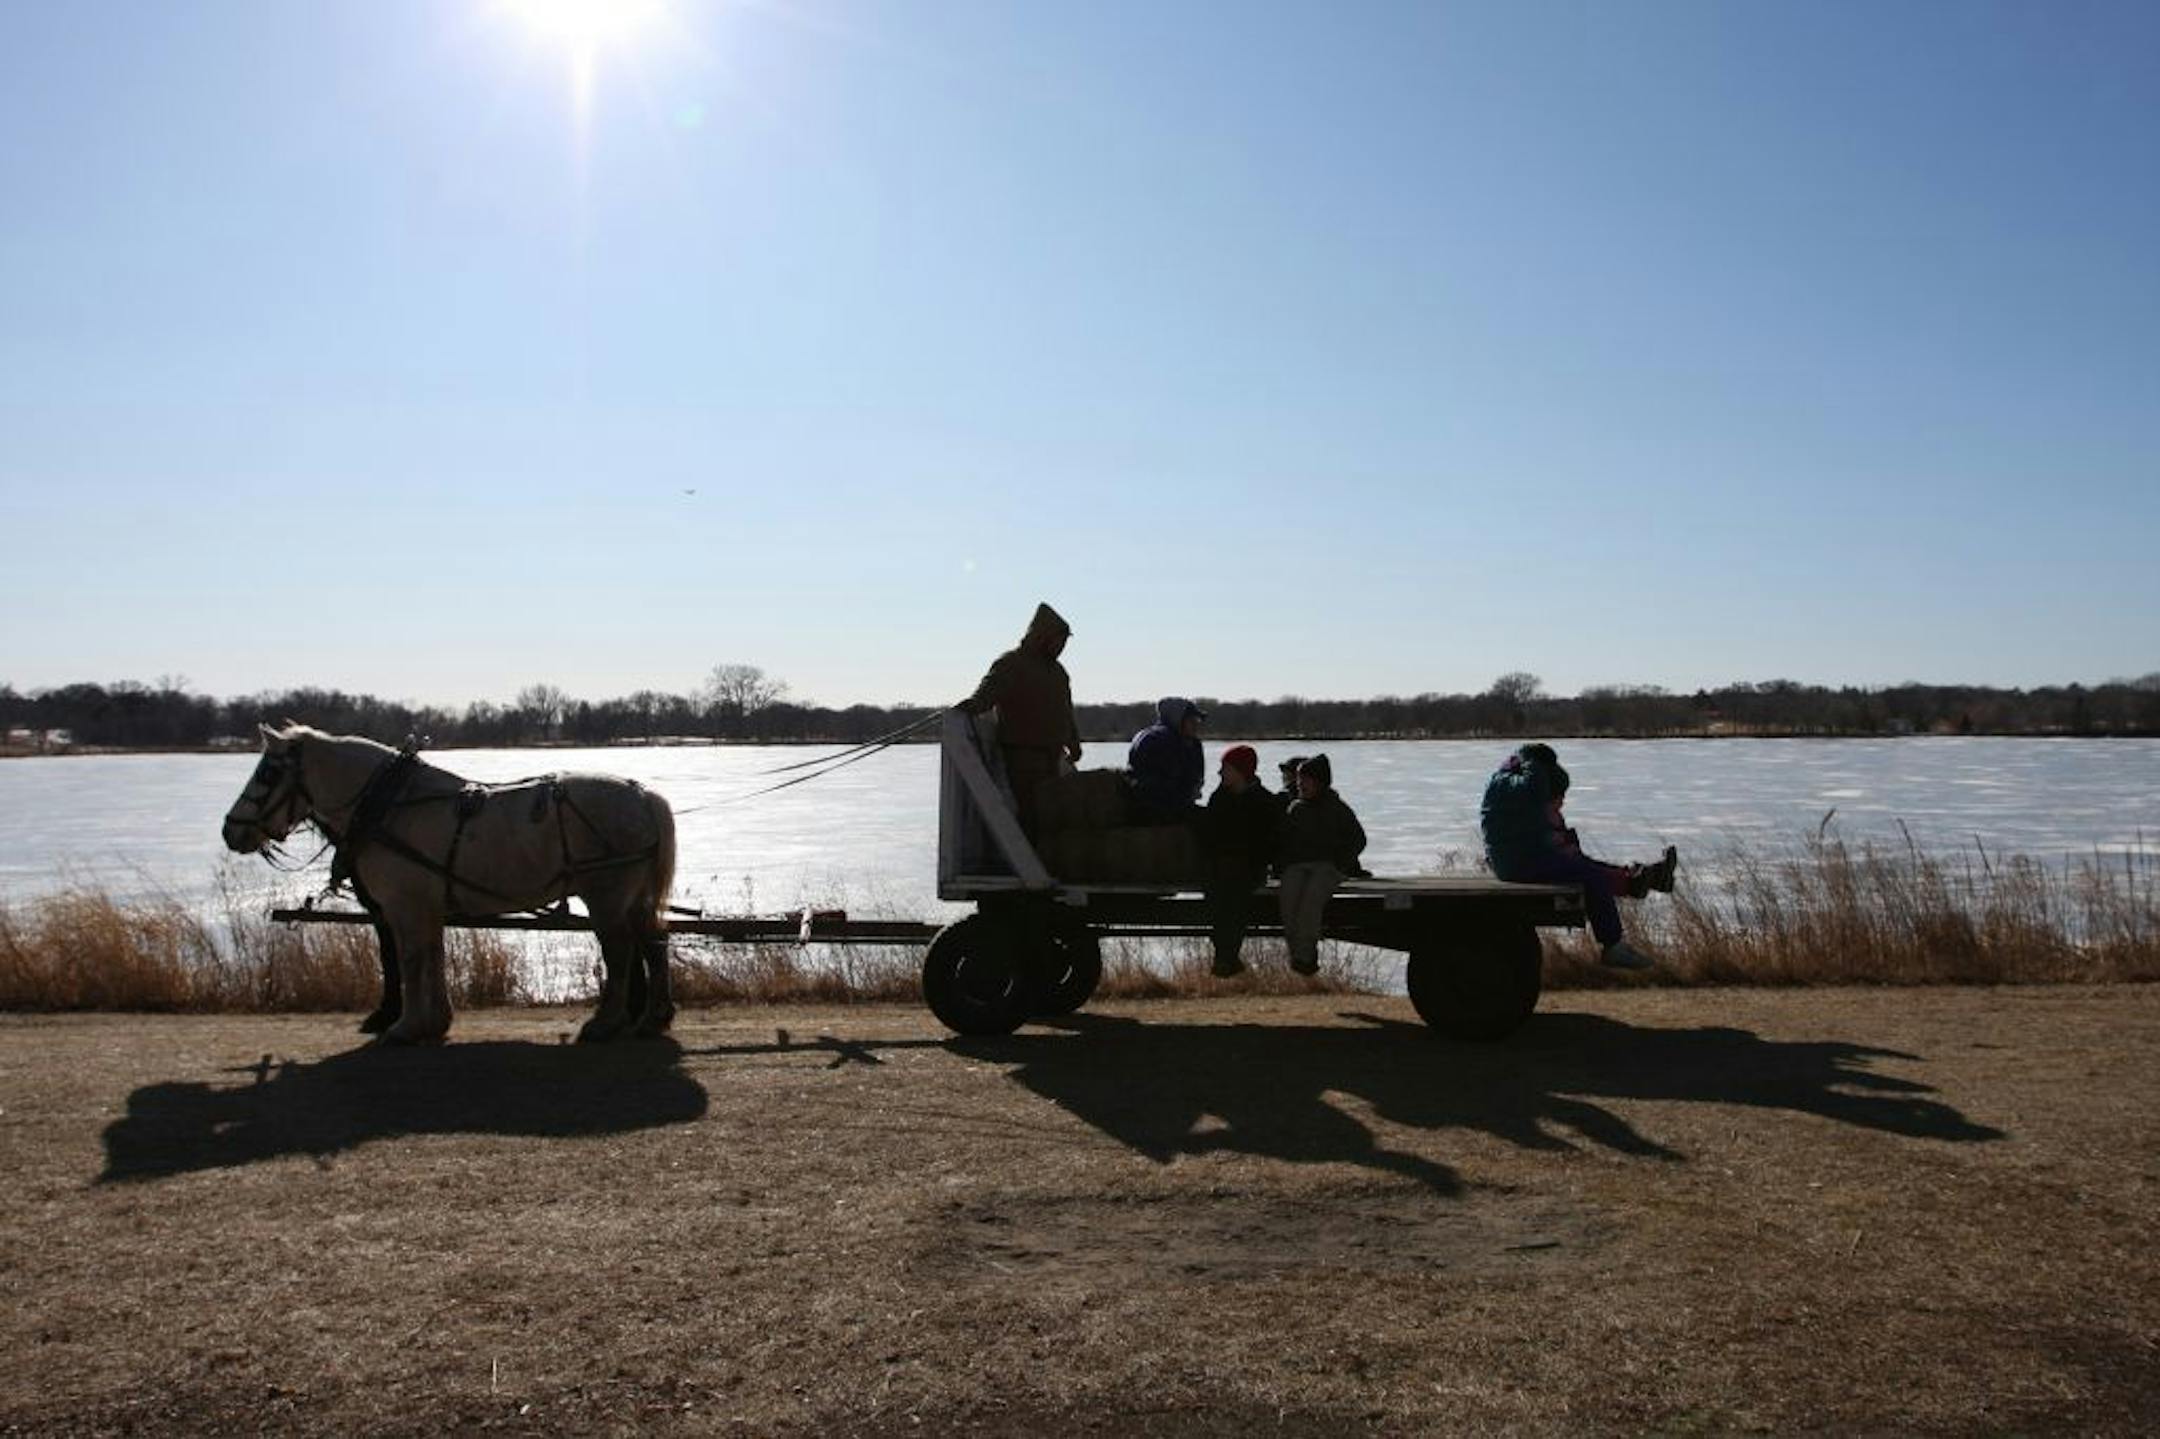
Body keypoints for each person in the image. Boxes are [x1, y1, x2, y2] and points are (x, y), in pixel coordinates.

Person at [1479, 742, 1678, 970]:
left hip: (1524, 859)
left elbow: (1549, 841)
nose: (1561, 803)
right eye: (1557, 798)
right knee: (1591, 875)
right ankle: (1613, 944)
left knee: (1586, 867)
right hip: (1520, 864)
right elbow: (1535, 794)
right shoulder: (1517, 786)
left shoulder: (1513, 791)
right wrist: (1533, 760)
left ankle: (1642, 878)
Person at [960, 603, 1083, 837]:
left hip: (1053, 757)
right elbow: (987, 693)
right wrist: (970, 706)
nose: (1062, 647)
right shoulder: (1011, 664)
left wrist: (1074, 742)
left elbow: (1066, 711)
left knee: (1052, 813)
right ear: (1043, 637)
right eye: (1059, 640)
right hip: (1023, 757)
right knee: (1031, 813)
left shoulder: (1058, 673)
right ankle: (1033, 861)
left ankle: (1048, 860)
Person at [1277, 754, 1366, 976]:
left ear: (1320, 782)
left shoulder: (1336, 808)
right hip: (1298, 866)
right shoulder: (1295, 809)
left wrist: (1340, 863)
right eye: (1298, 780)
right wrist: (1281, 864)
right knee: (1289, 899)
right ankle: (1297, 954)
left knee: (1311, 901)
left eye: (1305, 780)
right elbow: (1283, 841)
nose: (1300, 784)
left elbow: (1358, 839)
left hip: (1328, 867)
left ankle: (1307, 955)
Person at [1199, 745, 1280, 978]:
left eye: (1226, 768)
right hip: (1219, 868)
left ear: (1241, 771)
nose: (1220, 773)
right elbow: (1208, 836)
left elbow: (1271, 842)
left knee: (1234, 894)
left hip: (1250, 868)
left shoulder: (1263, 802)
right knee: (1219, 896)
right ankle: (1227, 957)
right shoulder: (1219, 798)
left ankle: (1226, 957)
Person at [1127, 697, 1207, 825]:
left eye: (1198, 720)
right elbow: (1157, 787)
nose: (1196, 724)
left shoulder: (1187, 741)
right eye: (1192, 720)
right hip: (1158, 811)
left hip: (1155, 807)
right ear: (1178, 719)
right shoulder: (1162, 741)